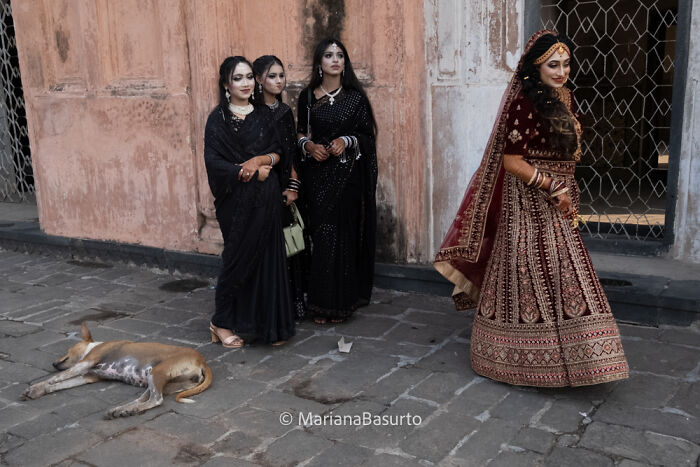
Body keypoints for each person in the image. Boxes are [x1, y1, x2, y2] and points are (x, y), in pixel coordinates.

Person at [434, 31, 629, 387]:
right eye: (552, 64)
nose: (561, 71)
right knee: (527, 266)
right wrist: (552, 186)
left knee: (562, 268)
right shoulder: (525, 102)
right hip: (528, 199)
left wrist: (565, 188)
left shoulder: (567, 97)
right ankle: (514, 358)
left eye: (566, 63)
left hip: (561, 195)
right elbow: (512, 162)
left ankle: (579, 356)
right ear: (535, 67)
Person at [204, 56, 295, 347]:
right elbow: (213, 162)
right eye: (238, 78)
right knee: (237, 260)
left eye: (248, 77)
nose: (245, 83)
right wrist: (247, 172)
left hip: (266, 202)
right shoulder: (218, 120)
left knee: (268, 261)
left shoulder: (262, 115)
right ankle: (221, 322)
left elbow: (279, 152)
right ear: (226, 84)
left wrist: (261, 160)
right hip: (236, 204)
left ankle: (270, 326)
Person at [296, 38, 378, 325]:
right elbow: (298, 132)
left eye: (340, 55)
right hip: (317, 178)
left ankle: (342, 303)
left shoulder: (356, 98)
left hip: (347, 179)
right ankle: (320, 304)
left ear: (345, 62)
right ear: (319, 62)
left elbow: (367, 137)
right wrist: (308, 146)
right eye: (329, 55)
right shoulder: (307, 97)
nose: (335, 60)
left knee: (343, 236)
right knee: (323, 236)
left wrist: (347, 140)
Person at [253, 54, 306, 320]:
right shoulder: (251, 113)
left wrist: (293, 186)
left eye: (281, 75)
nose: (278, 81)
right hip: (258, 188)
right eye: (272, 76)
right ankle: (264, 309)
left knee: (287, 246)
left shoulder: (284, 112)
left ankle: (288, 306)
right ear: (259, 80)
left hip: (283, 188)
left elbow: (292, 152)